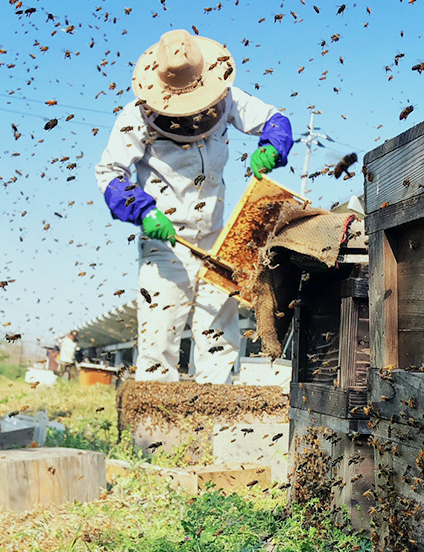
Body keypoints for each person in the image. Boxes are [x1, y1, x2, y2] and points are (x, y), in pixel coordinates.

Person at [95, 29, 293, 384]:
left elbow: (275, 120)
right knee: (159, 344)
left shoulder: (225, 96)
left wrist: (272, 146)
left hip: (217, 241)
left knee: (219, 340)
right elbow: (110, 173)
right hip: (165, 245)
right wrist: (143, 210)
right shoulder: (135, 117)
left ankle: (214, 432)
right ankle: (156, 436)